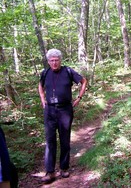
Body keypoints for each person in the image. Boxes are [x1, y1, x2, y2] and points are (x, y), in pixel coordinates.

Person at [38, 49, 87, 184]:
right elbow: (40, 86)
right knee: (50, 140)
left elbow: (83, 81)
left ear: (60, 60)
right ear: (48, 61)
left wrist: (79, 97)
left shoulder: (68, 71)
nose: (54, 62)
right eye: (51, 60)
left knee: (65, 139)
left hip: (65, 109)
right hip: (49, 110)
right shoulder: (45, 73)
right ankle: (50, 171)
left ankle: (64, 168)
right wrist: (42, 99)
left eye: (56, 60)